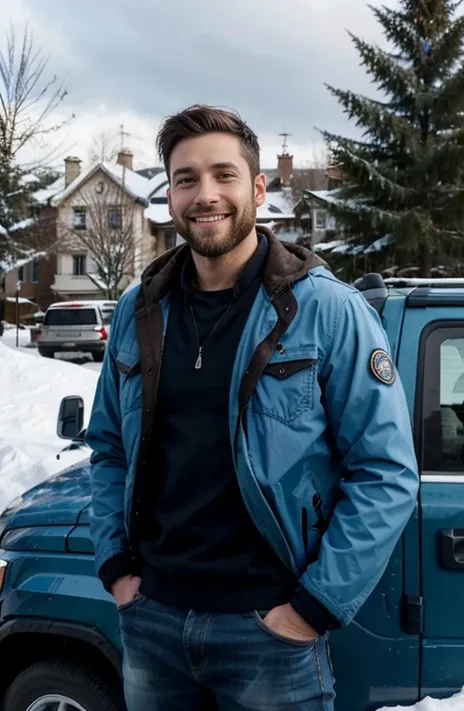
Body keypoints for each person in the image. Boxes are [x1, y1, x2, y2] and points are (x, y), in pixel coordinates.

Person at [86, 104, 419, 711]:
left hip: (271, 632)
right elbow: (107, 446)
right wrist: (116, 567)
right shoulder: (140, 312)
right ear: (170, 195)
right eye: (186, 179)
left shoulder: (328, 311)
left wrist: (312, 608)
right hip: (153, 619)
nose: (204, 195)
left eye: (224, 175)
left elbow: (387, 471)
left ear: (258, 188)